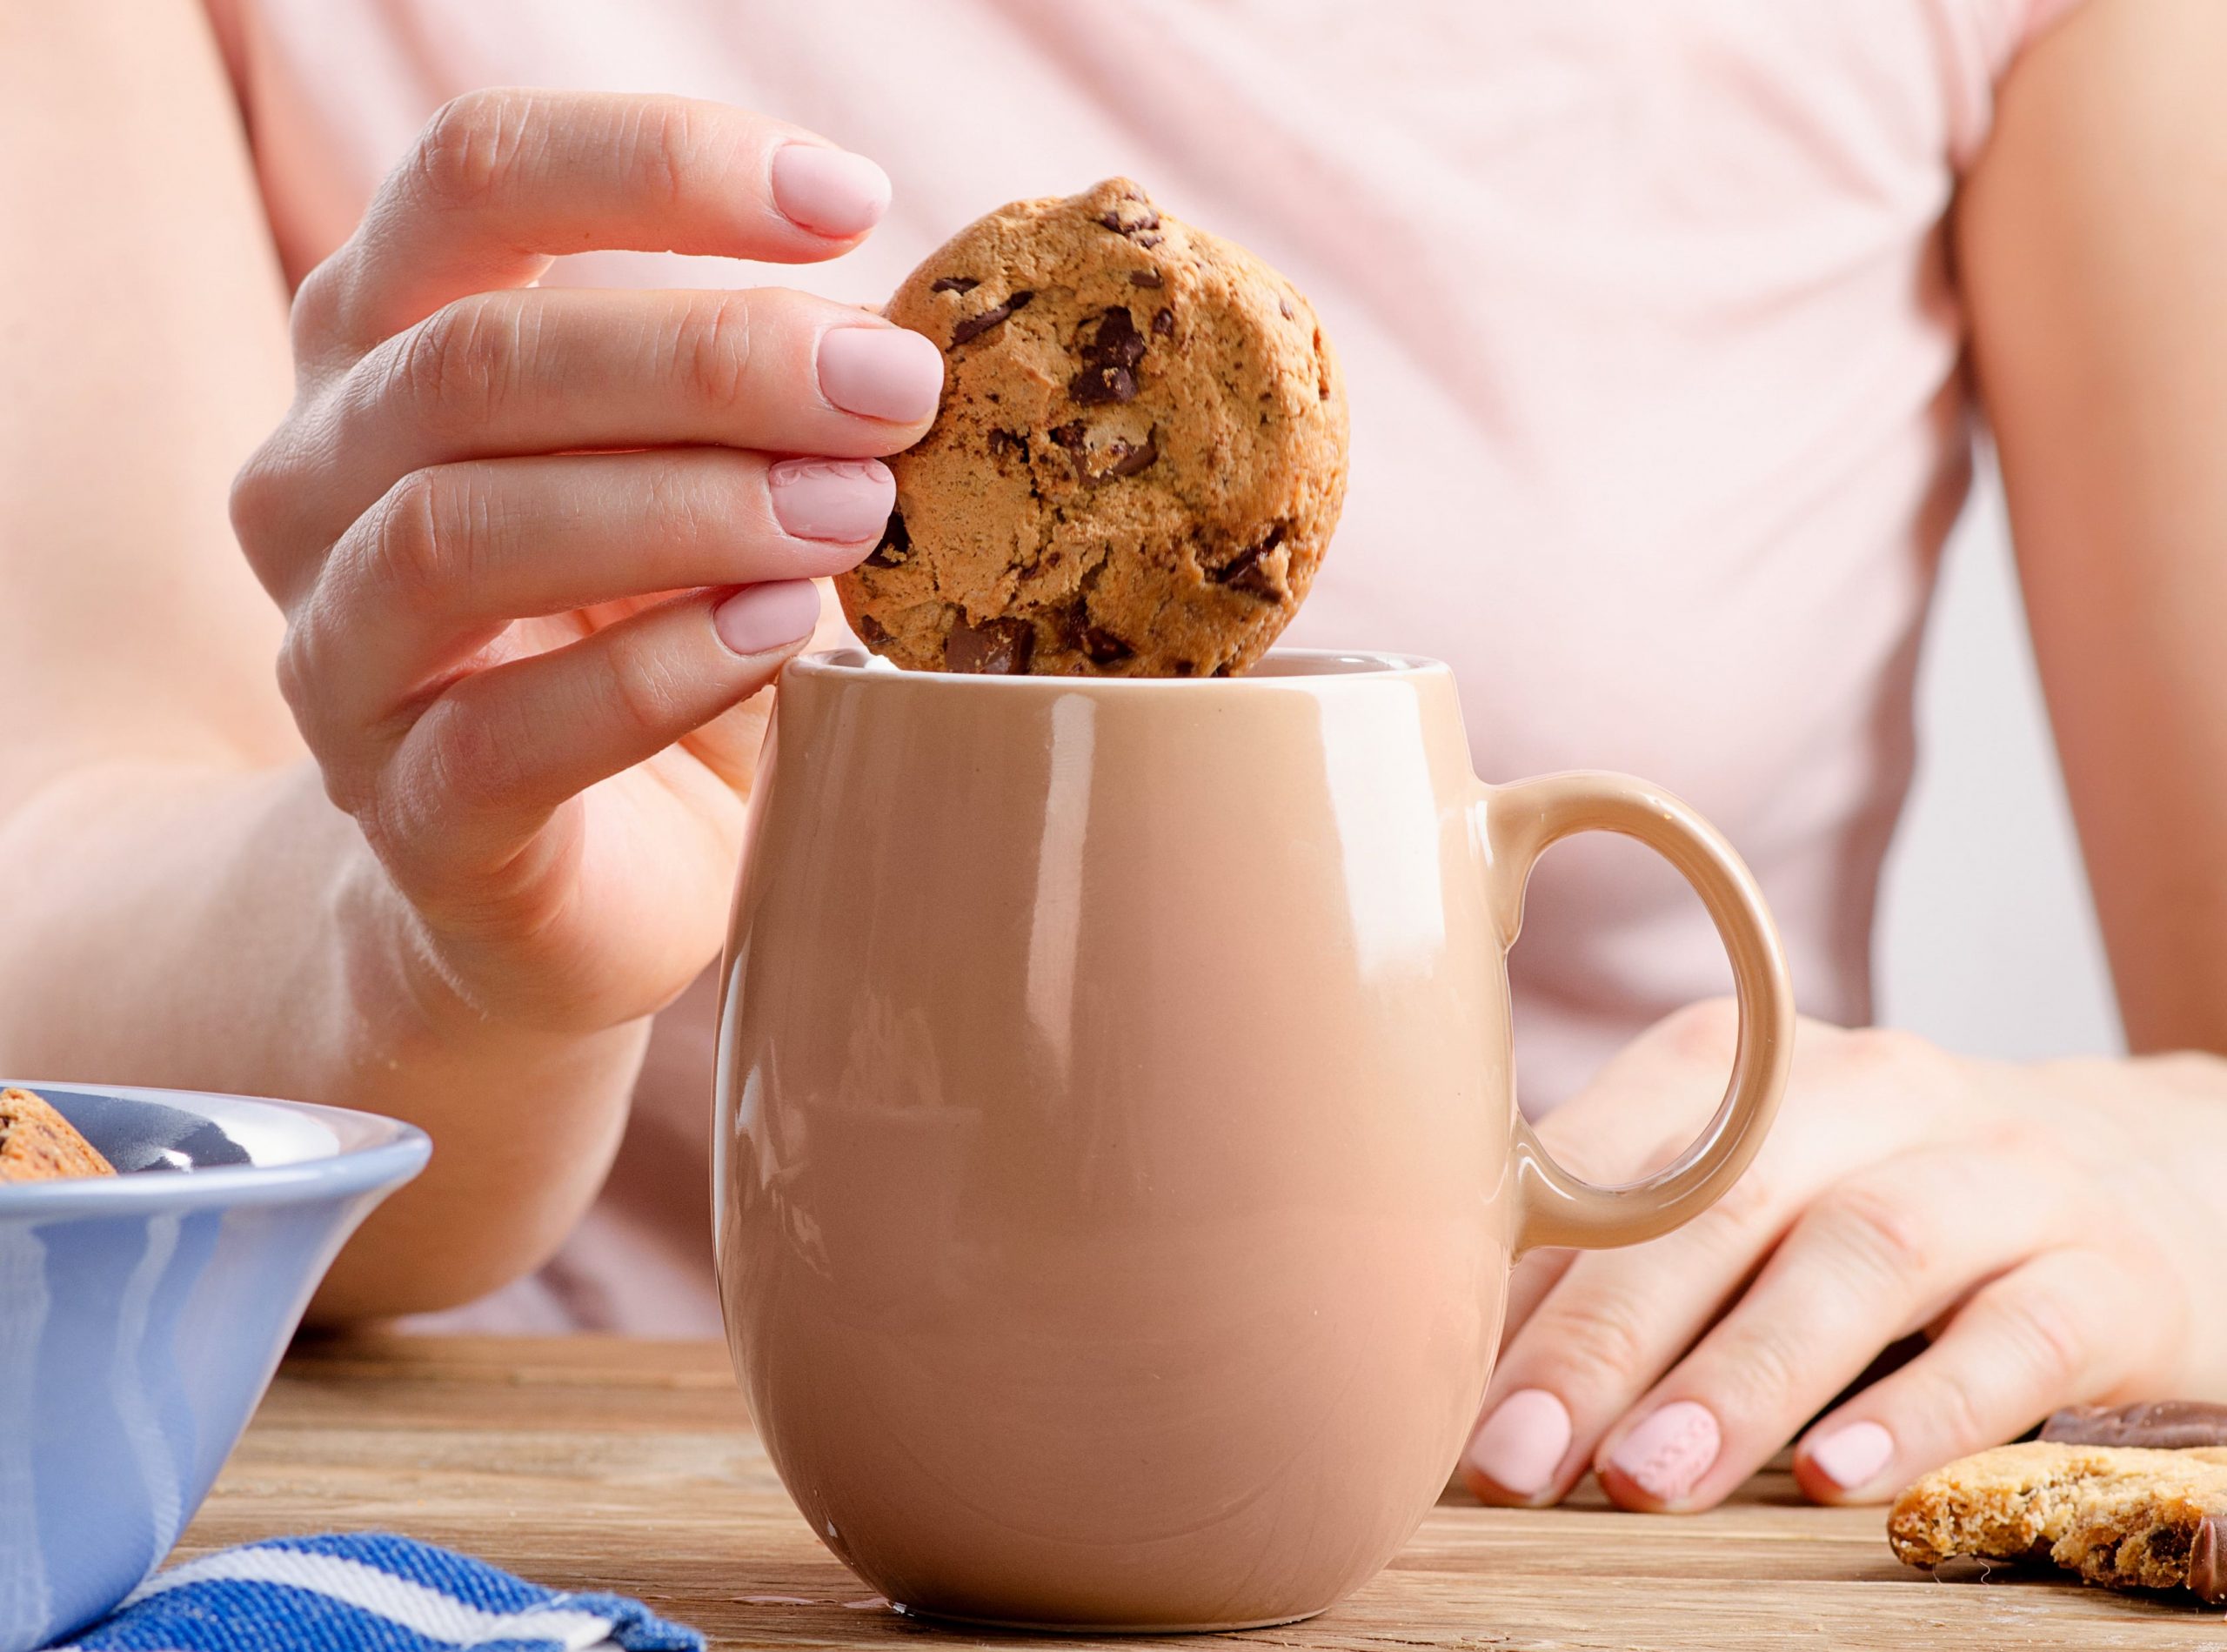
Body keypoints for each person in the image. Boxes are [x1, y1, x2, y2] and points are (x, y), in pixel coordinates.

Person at [4, 0, 2224, 1518]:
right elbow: (52, 951)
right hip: (562, 1565)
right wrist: (426, 926)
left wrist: (2169, 1161)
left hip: (1611, 1525)